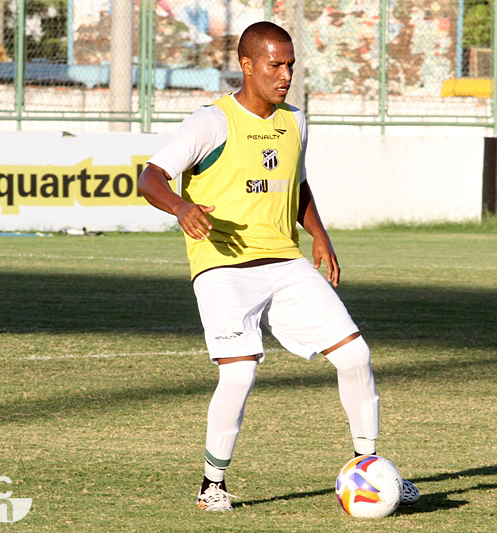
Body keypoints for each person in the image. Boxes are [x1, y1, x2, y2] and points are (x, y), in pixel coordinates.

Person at [137, 21, 379, 512]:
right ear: (247, 66)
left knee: (355, 356)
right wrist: (182, 209)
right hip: (224, 267)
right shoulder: (212, 122)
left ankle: (368, 469)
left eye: (290, 64)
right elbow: (151, 176)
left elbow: (297, 184)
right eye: (275, 64)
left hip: (285, 262)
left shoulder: (295, 121)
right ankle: (212, 485)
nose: (286, 74)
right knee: (240, 372)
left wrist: (320, 235)